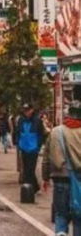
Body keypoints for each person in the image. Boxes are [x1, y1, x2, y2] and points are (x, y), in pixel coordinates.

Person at [42, 99, 81, 236]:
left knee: (61, 215)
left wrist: (45, 178)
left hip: (60, 179)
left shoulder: (55, 132)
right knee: (79, 218)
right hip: (79, 180)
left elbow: (46, 157)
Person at [17, 103, 45, 195]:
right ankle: (35, 188)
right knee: (26, 169)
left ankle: (28, 189)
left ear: (32, 110)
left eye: (28, 110)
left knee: (30, 169)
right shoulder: (21, 120)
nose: (26, 112)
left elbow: (41, 135)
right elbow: (18, 132)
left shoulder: (37, 121)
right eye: (25, 110)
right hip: (24, 148)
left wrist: (38, 147)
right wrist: (19, 143)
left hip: (33, 149)